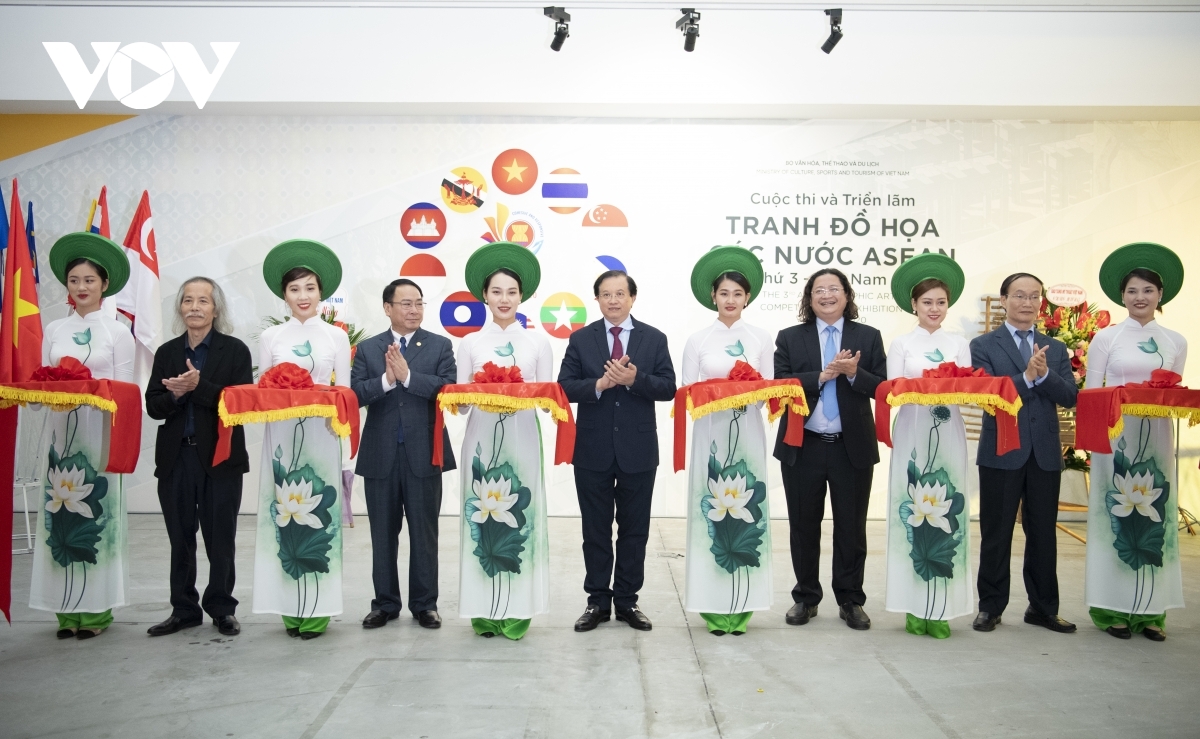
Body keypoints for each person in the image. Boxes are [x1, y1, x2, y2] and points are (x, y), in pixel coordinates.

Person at [559, 269, 677, 633]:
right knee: (594, 530)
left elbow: (669, 387)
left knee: (634, 530)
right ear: (596, 299)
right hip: (592, 449)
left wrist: (634, 380)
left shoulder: (654, 339)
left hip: (638, 450)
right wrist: (600, 383)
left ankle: (627, 601)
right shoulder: (581, 339)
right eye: (605, 294)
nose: (613, 300)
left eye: (620, 294)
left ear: (632, 298)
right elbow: (564, 387)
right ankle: (597, 602)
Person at [31, 233, 134, 639]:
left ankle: (95, 612)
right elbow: (41, 386)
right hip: (61, 438)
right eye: (74, 280)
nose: (81, 287)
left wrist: (93, 397)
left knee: (97, 519)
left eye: (89, 280)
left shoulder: (117, 331)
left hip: (98, 438)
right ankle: (65, 610)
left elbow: (125, 393)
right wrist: (43, 399)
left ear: (104, 285)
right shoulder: (55, 328)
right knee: (60, 518)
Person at [773, 268, 886, 631]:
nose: (826, 295)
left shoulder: (867, 336)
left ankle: (851, 599)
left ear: (847, 296)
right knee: (803, 525)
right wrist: (822, 376)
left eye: (833, 289)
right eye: (818, 290)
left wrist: (853, 374)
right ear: (809, 298)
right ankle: (805, 598)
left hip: (849, 447)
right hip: (802, 445)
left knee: (851, 527)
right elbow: (780, 384)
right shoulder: (790, 337)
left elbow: (882, 387)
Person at [1085, 243, 1187, 641]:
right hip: (1116, 441)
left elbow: (1172, 392)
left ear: (1160, 295)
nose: (1139, 297)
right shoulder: (1106, 339)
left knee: (1153, 516)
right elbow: (1092, 394)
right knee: (1116, 515)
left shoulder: (1175, 341)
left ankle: (1150, 614)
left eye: (1147, 290)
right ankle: (1110, 608)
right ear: (1121, 296)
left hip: (1158, 439)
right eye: (1132, 291)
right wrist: (1097, 444)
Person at [144, 277, 253, 638]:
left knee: (220, 538)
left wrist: (197, 387)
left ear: (215, 308)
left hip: (220, 460)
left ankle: (222, 608)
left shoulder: (234, 351)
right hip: (176, 459)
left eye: (203, 301)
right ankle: (184, 609)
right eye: (188, 300)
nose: (195, 307)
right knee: (180, 538)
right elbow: (152, 406)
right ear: (179, 308)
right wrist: (174, 395)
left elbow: (238, 405)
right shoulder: (167, 353)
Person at [454, 243, 553, 640]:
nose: (504, 299)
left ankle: (517, 610)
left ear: (522, 296)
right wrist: (481, 391)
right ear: (484, 296)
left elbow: (548, 402)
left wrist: (518, 392)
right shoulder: (470, 343)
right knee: (481, 517)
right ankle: (482, 609)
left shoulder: (538, 343)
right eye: (497, 292)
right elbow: (461, 406)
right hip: (480, 440)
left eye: (511, 292)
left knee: (518, 516)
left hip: (523, 441)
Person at [970, 272, 1078, 634]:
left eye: (1034, 296)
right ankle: (990, 606)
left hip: (1045, 451)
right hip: (1002, 448)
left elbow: (1070, 397)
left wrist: (1044, 376)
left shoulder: (1056, 347)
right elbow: (986, 392)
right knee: (996, 531)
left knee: (1043, 532)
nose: (1027, 303)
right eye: (1019, 295)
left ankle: (1043, 608)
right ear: (1004, 300)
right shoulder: (984, 344)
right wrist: (1028, 378)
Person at [254, 239, 351, 640]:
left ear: (321, 292)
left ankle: (318, 609)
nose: (303, 296)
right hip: (280, 439)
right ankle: (289, 607)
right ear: (284, 295)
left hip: (322, 437)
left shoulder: (336, 337)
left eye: (310, 288)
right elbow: (260, 391)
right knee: (283, 517)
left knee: (316, 514)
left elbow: (344, 392)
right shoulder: (271, 339)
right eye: (295, 289)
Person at [351, 278, 456, 630]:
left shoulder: (439, 345)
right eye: (406, 304)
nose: (414, 310)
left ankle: (425, 604)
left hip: (424, 452)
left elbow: (447, 389)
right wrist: (386, 380)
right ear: (388, 308)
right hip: (380, 454)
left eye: (419, 303)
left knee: (424, 533)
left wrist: (408, 376)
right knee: (382, 533)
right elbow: (355, 396)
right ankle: (384, 604)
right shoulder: (368, 349)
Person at [680, 247, 774, 636]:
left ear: (747, 298)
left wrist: (747, 389)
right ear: (713, 297)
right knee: (713, 511)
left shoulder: (761, 338)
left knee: (747, 509)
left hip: (749, 433)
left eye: (737, 293)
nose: (730, 300)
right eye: (724, 294)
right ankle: (714, 605)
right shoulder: (698, 340)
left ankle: (744, 605)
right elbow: (685, 393)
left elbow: (770, 391)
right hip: (710, 435)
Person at [883, 254, 974, 639]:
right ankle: (913, 607)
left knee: (947, 506)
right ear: (914, 306)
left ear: (947, 304)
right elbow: (893, 391)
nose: (934, 309)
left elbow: (968, 389)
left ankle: (941, 609)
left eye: (940, 302)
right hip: (913, 430)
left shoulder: (959, 342)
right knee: (913, 507)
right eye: (926, 303)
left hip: (949, 429)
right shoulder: (902, 343)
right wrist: (929, 386)